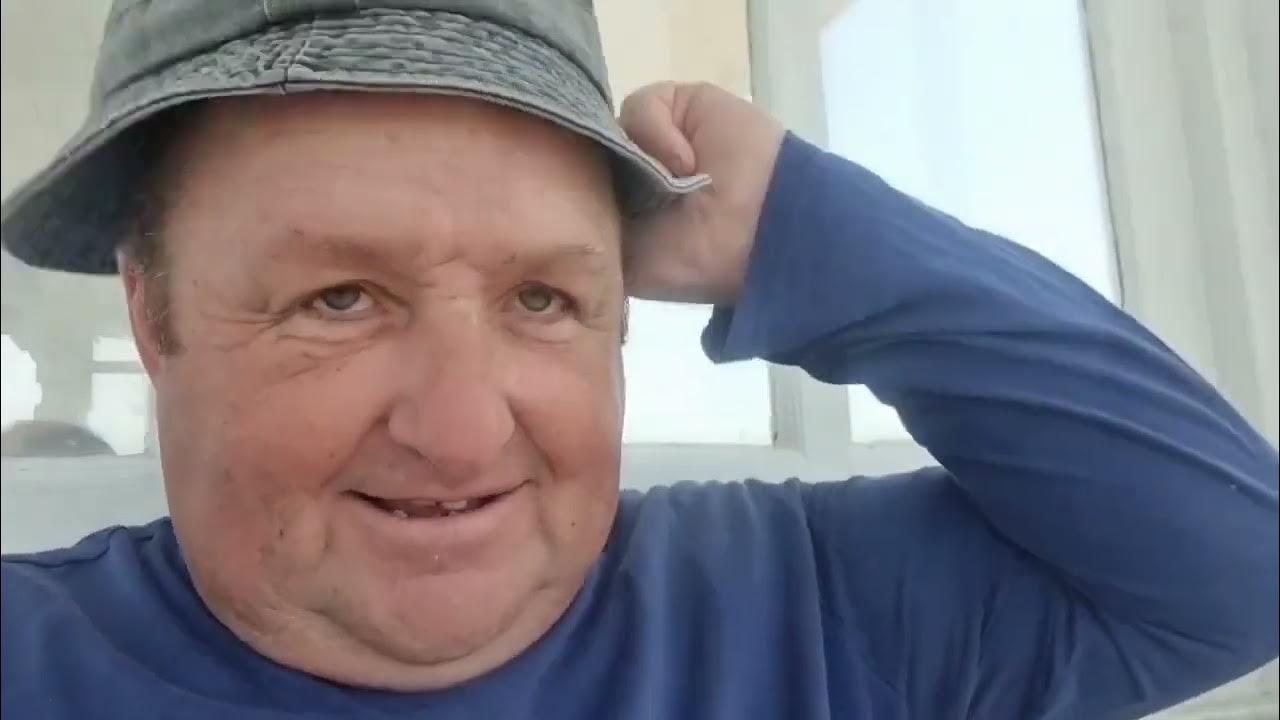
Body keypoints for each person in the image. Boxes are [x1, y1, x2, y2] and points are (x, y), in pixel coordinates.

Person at [1, 2, 1275, 718]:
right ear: (153, 318)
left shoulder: (803, 612)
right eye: (338, 298)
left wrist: (809, 230)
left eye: (543, 296)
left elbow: (1234, 575)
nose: (462, 432)